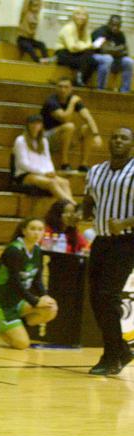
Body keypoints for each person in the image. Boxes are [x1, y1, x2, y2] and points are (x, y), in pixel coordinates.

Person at [80, 128, 134, 375]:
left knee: (107, 295)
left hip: (126, 241)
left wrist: (125, 222)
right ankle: (122, 349)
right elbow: (89, 204)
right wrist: (76, 215)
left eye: (124, 137)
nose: (118, 140)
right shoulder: (96, 171)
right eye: (115, 136)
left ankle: (111, 356)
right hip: (101, 240)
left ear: (132, 144)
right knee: (96, 298)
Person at [0, 218, 57, 350]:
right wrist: (35, 302)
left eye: (40, 229)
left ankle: (10, 325)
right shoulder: (14, 250)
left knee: (50, 309)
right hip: (2, 301)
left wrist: (45, 296)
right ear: (24, 231)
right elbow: (14, 282)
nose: (36, 233)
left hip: (18, 300)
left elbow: (37, 279)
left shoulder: (37, 250)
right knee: (22, 345)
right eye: (32, 229)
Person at [40, 79, 102, 173]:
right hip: (46, 138)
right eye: (60, 86)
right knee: (69, 126)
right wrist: (72, 103)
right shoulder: (51, 101)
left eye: (66, 87)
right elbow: (64, 118)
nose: (63, 90)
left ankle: (83, 164)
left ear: (71, 89)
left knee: (87, 128)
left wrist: (96, 135)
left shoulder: (72, 99)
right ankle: (64, 163)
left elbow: (88, 118)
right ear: (55, 88)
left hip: (64, 137)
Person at [13, 114, 75, 202]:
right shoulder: (20, 140)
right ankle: (71, 206)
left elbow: (47, 160)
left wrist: (51, 171)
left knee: (65, 182)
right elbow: (23, 164)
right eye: (32, 123)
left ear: (41, 126)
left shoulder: (43, 141)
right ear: (28, 125)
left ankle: (71, 206)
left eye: (38, 123)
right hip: (25, 175)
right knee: (51, 183)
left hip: (43, 174)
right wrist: (43, 173)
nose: (35, 126)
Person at [55, 8, 105, 88]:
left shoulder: (85, 30)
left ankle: (80, 81)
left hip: (77, 54)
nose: (81, 17)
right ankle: (79, 80)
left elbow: (89, 45)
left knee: (93, 61)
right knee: (87, 57)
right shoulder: (68, 28)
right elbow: (72, 47)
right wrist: (84, 45)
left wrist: (80, 45)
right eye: (78, 14)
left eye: (84, 15)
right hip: (63, 54)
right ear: (73, 16)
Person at [92, 15, 132, 94]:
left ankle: (125, 91)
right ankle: (100, 90)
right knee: (108, 58)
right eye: (113, 25)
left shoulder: (120, 35)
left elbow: (126, 52)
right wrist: (117, 49)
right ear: (108, 23)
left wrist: (112, 50)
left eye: (118, 26)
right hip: (96, 57)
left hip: (115, 58)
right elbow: (102, 49)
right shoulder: (101, 31)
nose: (115, 28)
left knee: (129, 62)